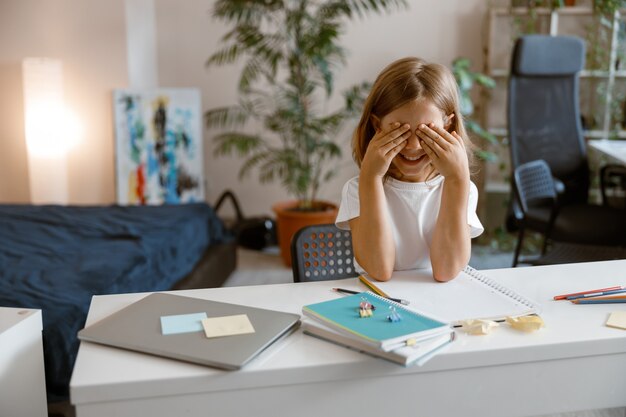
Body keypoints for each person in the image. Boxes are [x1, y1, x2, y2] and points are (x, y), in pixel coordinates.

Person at [336, 57, 484, 282]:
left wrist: (457, 179)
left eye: (426, 131)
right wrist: (371, 176)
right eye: (401, 132)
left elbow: (446, 271)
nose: (413, 146)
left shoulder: (463, 188)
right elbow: (379, 270)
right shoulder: (358, 189)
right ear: (378, 127)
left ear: (448, 127)